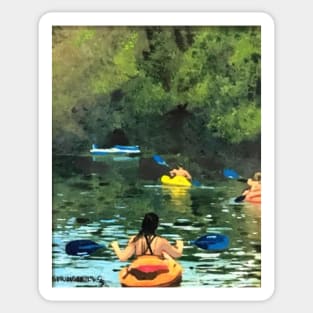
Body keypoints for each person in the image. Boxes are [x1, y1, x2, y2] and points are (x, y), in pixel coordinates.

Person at [111, 212, 184, 262]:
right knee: (164, 254)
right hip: (156, 269)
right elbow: (177, 254)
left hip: (139, 269)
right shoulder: (161, 241)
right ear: (156, 226)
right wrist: (180, 245)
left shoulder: (135, 239)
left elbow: (122, 258)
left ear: (143, 224)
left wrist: (115, 246)